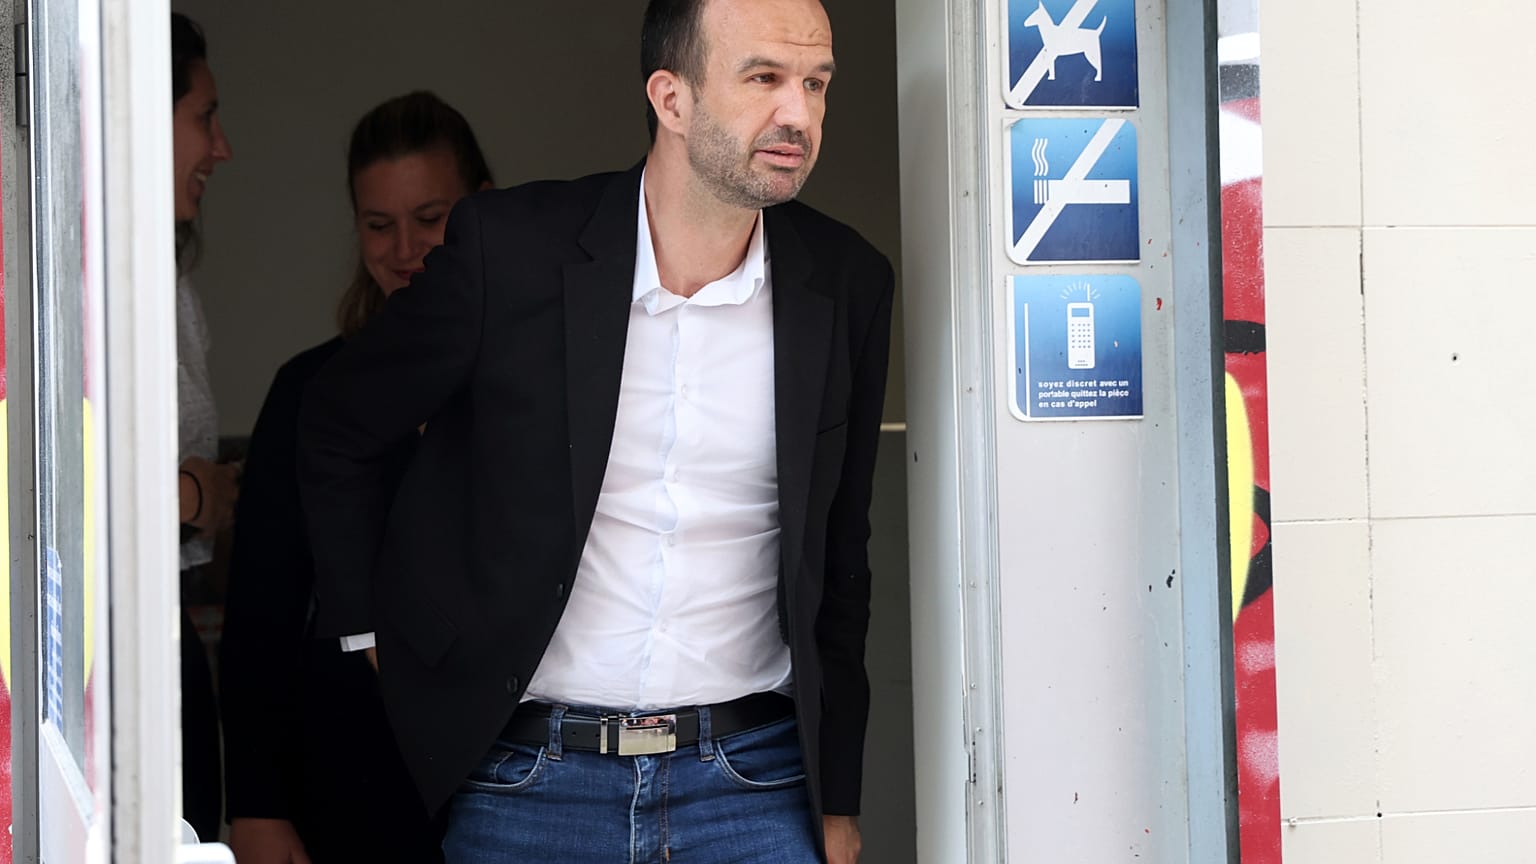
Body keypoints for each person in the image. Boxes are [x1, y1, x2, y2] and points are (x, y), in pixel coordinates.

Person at [298, 0, 890, 861]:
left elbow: (842, 553)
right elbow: (339, 424)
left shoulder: (847, 282)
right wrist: (373, 634)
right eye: (763, 78)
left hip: (754, 787)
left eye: (815, 84)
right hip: (528, 783)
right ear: (671, 98)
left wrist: (838, 800)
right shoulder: (512, 253)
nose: (797, 114)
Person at [220, 92, 493, 864]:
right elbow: (260, 616)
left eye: (430, 217)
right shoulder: (308, 390)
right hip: (344, 782)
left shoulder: (537, 382)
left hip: (516, 783)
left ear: (484, 208)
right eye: (379, 224)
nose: (405, 248)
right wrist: (258, 808)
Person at [171, 11, 237, 843]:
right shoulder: (69, 275)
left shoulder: (173, 279)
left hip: (168, 622)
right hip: (93, 646)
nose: (221, 148)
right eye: (204, 116)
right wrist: (193, 494)